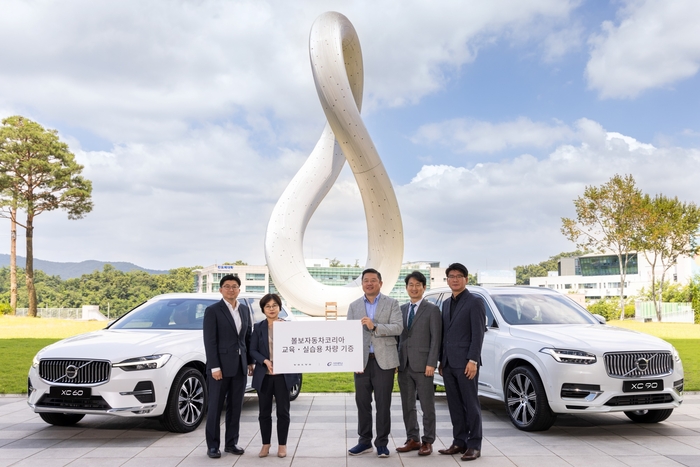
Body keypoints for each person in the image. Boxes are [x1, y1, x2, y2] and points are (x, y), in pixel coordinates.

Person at [346, 268, 403, 458]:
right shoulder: (354, 306)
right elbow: (349, 334)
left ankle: (382, 443)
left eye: (373, 280)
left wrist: (375, 326)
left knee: (383, 403)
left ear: (380, 283)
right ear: (362, 283)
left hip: (384, 362)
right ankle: (364, 441)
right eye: (366, 280)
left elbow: (398, 327)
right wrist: (351, 359)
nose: (369, 283)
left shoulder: (392, 303)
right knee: (362, 403)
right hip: (361, 362)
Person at [437, 263, 486, 461]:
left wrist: (473, 360)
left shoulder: (475, 302)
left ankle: (474, 445)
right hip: (448, 364)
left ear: (466, 279)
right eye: (451, 276)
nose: (455, 279)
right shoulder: (446, 303)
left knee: (470, 404)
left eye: (459, 276)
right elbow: (445, 334)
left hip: (467, 363)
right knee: (455, 405)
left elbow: (478, 334)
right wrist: (442, 360)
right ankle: (459, 442)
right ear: (447, 279)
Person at [202, 274, 253, 459]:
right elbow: (210, 341)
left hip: (239, 367)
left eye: (234, 286)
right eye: (227, 286)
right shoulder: (213, 311)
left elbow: (247, 337)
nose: (231, 289)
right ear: (221, 289)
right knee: (215, 408)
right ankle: (213, 446)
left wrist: (249, 361)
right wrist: (214, 367)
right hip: (220, 369)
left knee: (235, 407)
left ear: (239, 289)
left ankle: (231, 443)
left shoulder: (245, 310)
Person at [396, 271, 442, 456]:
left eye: (417, 285)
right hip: (404, 365)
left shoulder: (432, 310)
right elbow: (398, 338)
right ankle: (413, 438)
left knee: (427, 405)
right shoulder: (401, 309)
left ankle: (428, 441)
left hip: (424, 366)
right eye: (410, 285)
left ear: (424, 287)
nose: (414, 288)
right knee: (407, 405)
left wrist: (432, 363)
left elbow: (436, 339)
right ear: (406, 288)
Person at [249, 293, 300, 459]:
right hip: (264, 375)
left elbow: (297, 350)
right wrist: (265, 361)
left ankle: (282, 445)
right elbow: (252, 350)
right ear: (263, 309)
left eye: (274, 306)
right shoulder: (258, 327)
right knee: (264, 413)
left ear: (280, 307)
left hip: (283, 376)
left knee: (283, 412)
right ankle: (265, 444)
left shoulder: (288, 327)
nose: (271, 309)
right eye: (268, 306)